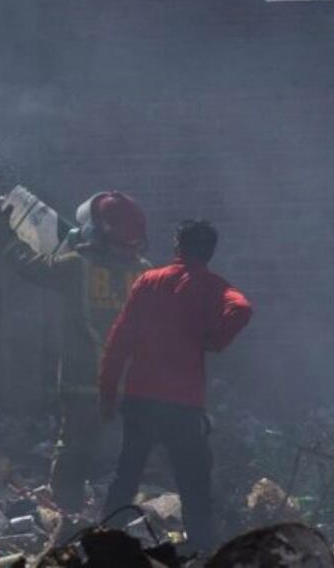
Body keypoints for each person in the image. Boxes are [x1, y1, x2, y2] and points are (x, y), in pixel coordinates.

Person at [0, 191, 150, 513]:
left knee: (74, 453)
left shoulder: (77, 267)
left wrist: (4, 234)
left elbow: (32, 267)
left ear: (97, 231)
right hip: (131, 387)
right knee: (126, 457)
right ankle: (122, 517)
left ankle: (69, 521)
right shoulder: (146, 273)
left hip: (84, 383)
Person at [99, 219, 253, 553]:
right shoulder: (212, 286)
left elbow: (118, 342)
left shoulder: (148, 282)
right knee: (193, 483)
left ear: (177, 247)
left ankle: (101, 548)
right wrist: (215, 340)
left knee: (125, 477)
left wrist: (108, 394)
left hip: (140, 399)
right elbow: (241, 308)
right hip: (183, 406)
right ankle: (201, 552)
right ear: (210, 253)